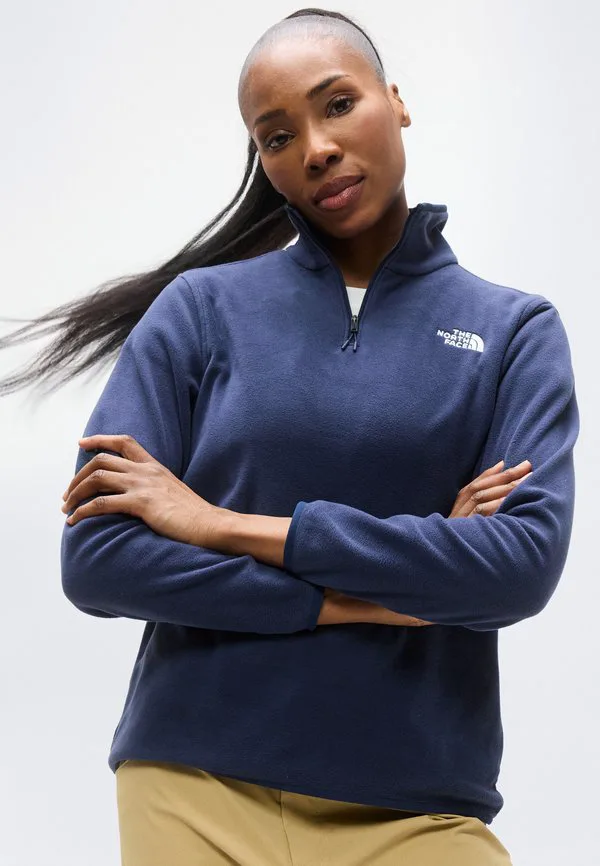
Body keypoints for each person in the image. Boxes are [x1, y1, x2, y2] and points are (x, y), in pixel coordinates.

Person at [1, 8, 578, 866]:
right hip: (193, 786)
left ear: (396, 100)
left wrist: (218, 524)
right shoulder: (202, 308)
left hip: (418, 807)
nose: (314, 148)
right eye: (276, 137)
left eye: (337, 104)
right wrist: (370, 598)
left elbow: (518, 567)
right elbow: (98, 559)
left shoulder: (514, 331)